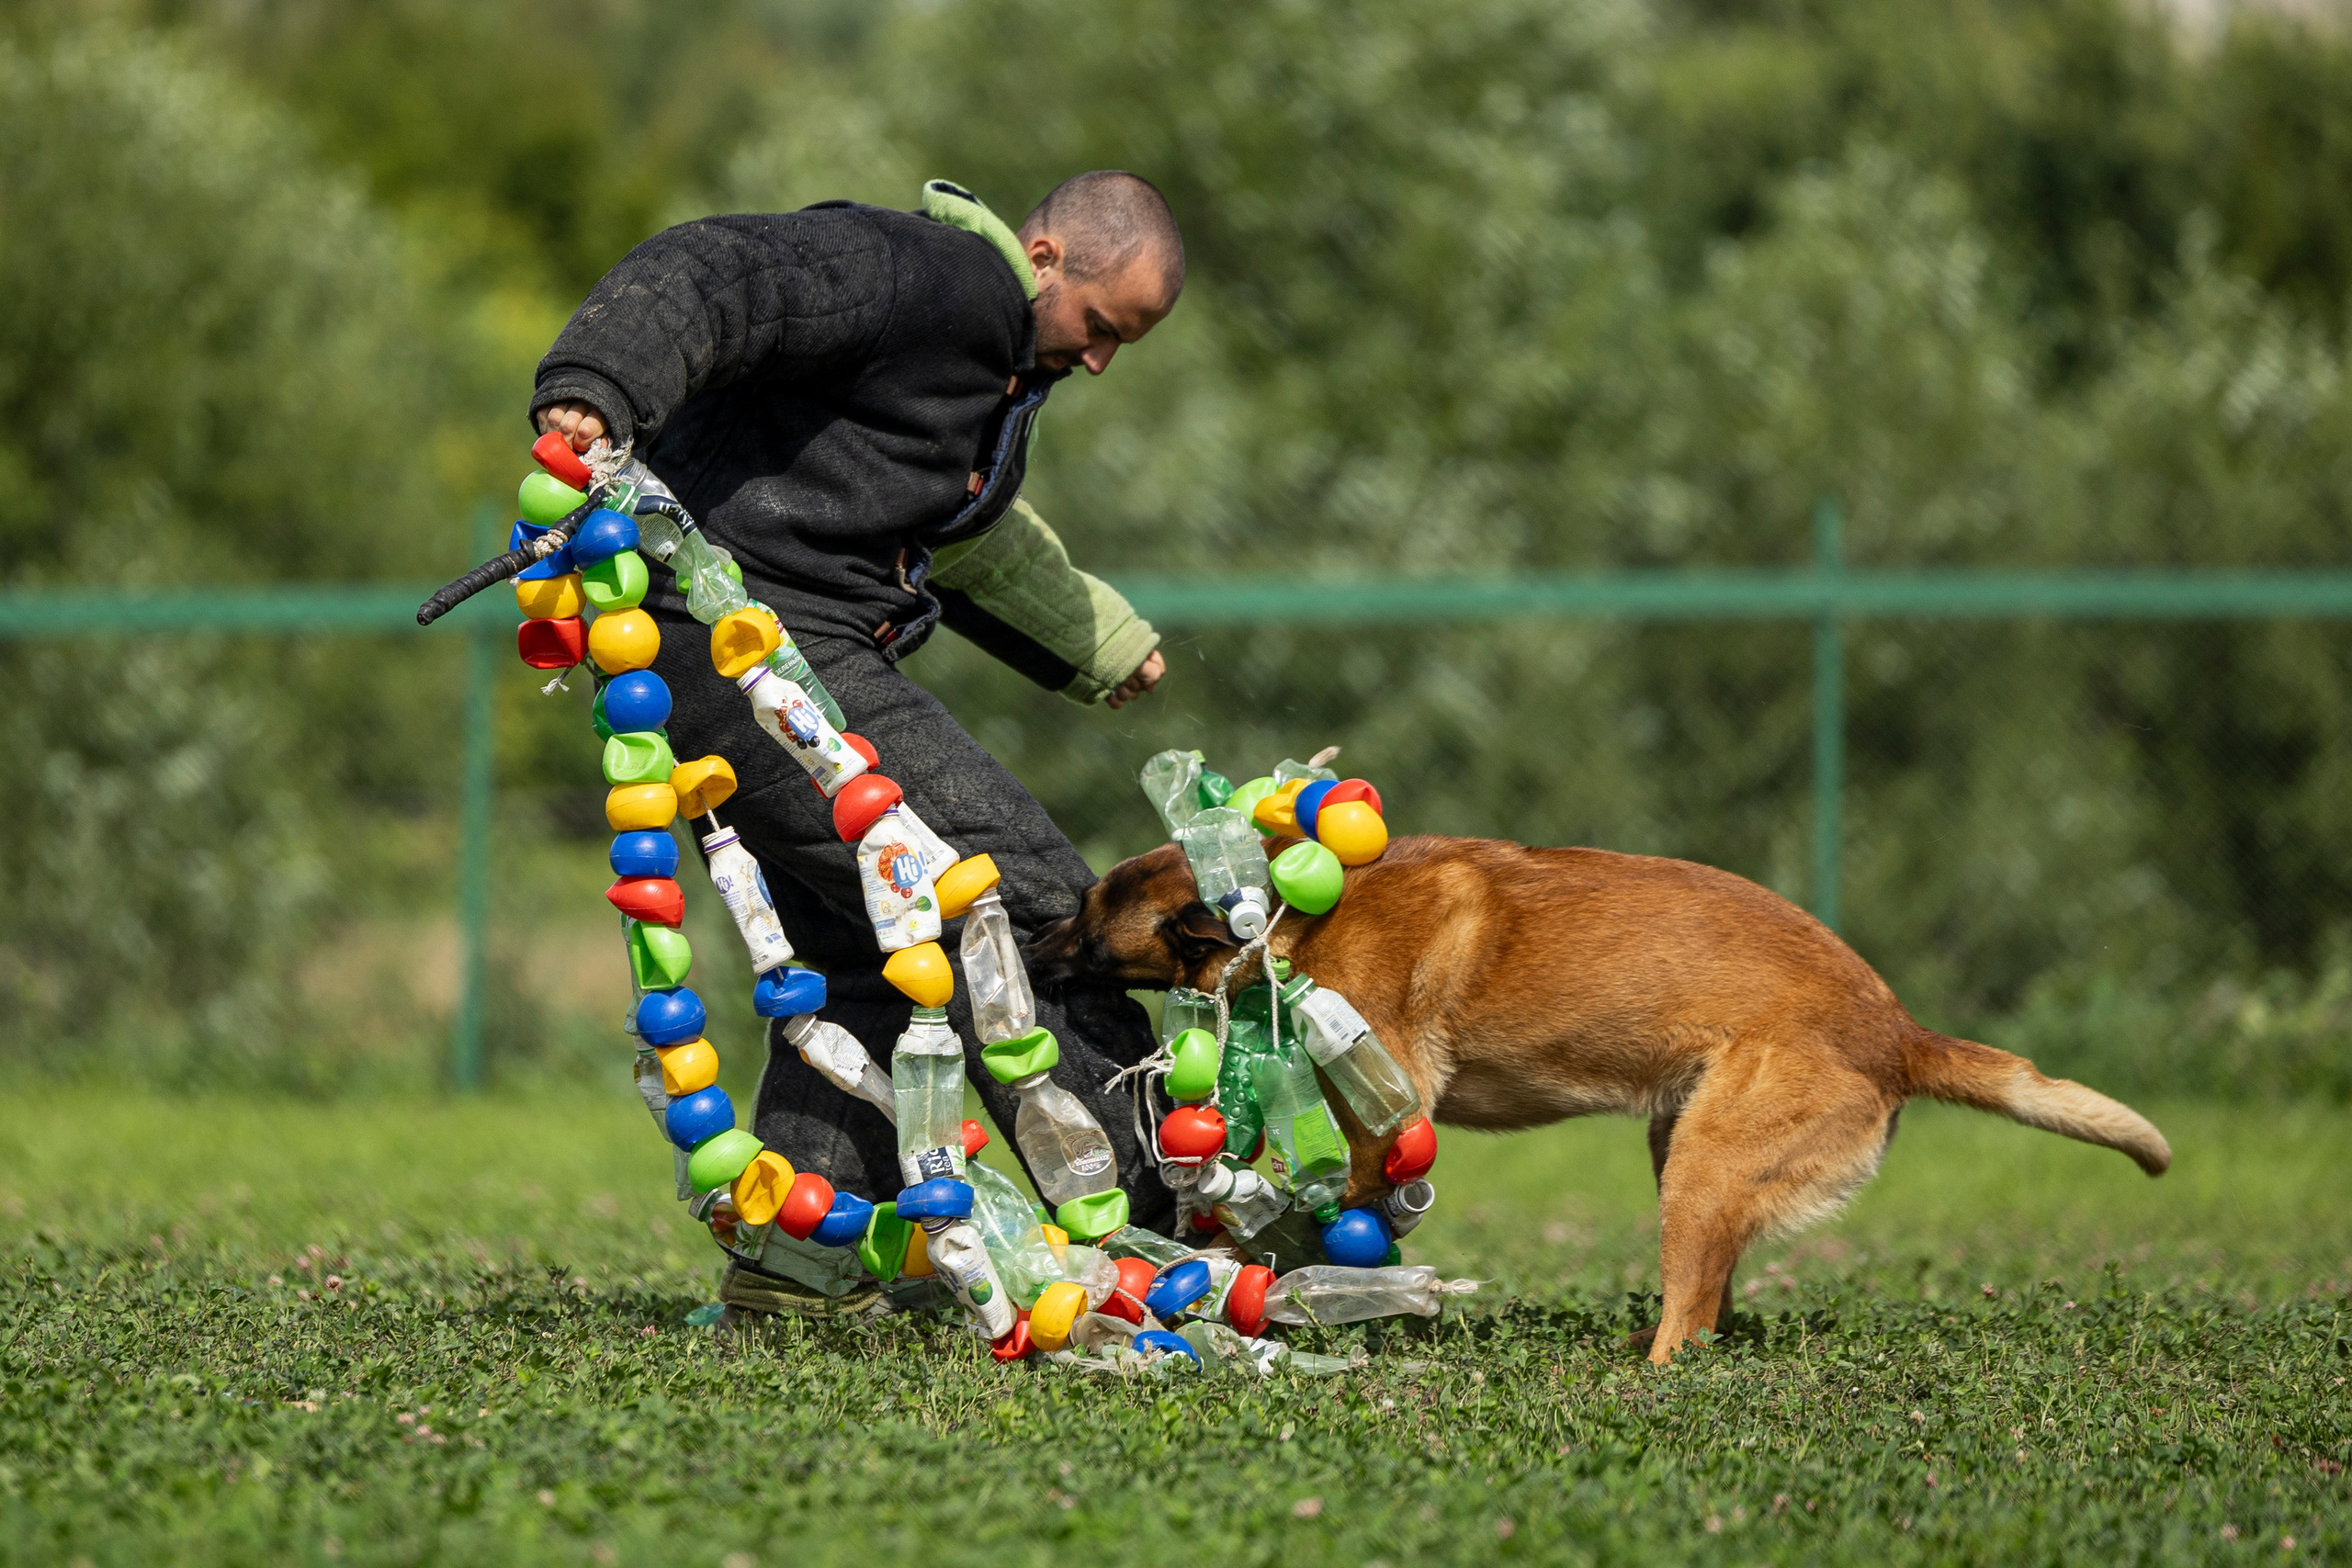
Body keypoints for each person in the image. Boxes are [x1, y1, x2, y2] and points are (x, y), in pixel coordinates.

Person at [532, 173, 1184, 1317]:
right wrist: (599, 387)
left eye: (1120, 345)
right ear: (1042, 257)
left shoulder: (987, 370)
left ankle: (805, 1260)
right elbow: (719, 270)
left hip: (759, 647)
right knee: (1013, 900)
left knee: (869, 945)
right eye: (1100, 327)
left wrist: (1101, 641)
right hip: (743, 638)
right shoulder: (924, 276)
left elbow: (971, 539)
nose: (1098, 362)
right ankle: (1160, 1240)